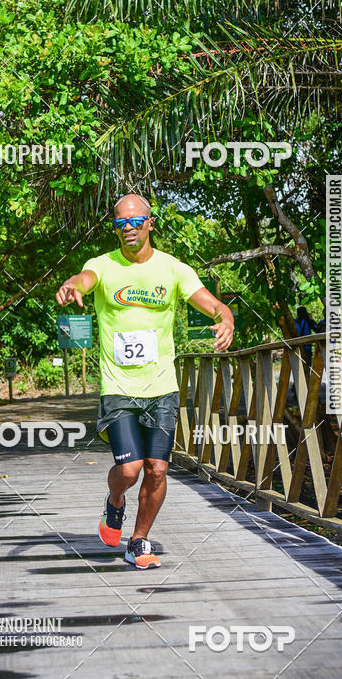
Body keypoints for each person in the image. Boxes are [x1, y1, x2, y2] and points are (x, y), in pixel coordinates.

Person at [55, 193, 234, 569]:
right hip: (119, 387)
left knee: (157, 468)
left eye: (136, 221)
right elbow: (85, 279)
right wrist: (73, 284)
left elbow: (211, 302)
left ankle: (138, 540)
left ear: (150, 223)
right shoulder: (103, 265)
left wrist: (225, 316)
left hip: (162, 387)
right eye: (121, 223)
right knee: (130, 469)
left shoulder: (173, 269)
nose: (129, 229)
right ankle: (115, 501)